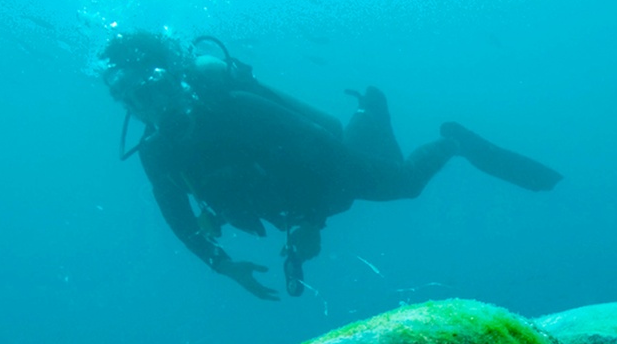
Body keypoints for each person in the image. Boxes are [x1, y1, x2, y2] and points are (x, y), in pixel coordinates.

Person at [101, 31, 561, 299]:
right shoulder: (156, 151)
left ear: (175, 80)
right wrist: (221, 264)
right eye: (132, 100)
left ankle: (449, 140)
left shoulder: (236, 107)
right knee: (379, 165)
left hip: (326, 170)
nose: (148, 107)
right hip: (283, 198)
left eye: (153, 91)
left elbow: (318, 142)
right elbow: (176, 214)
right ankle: (368, 112)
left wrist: (308, 220)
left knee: (402, 183)